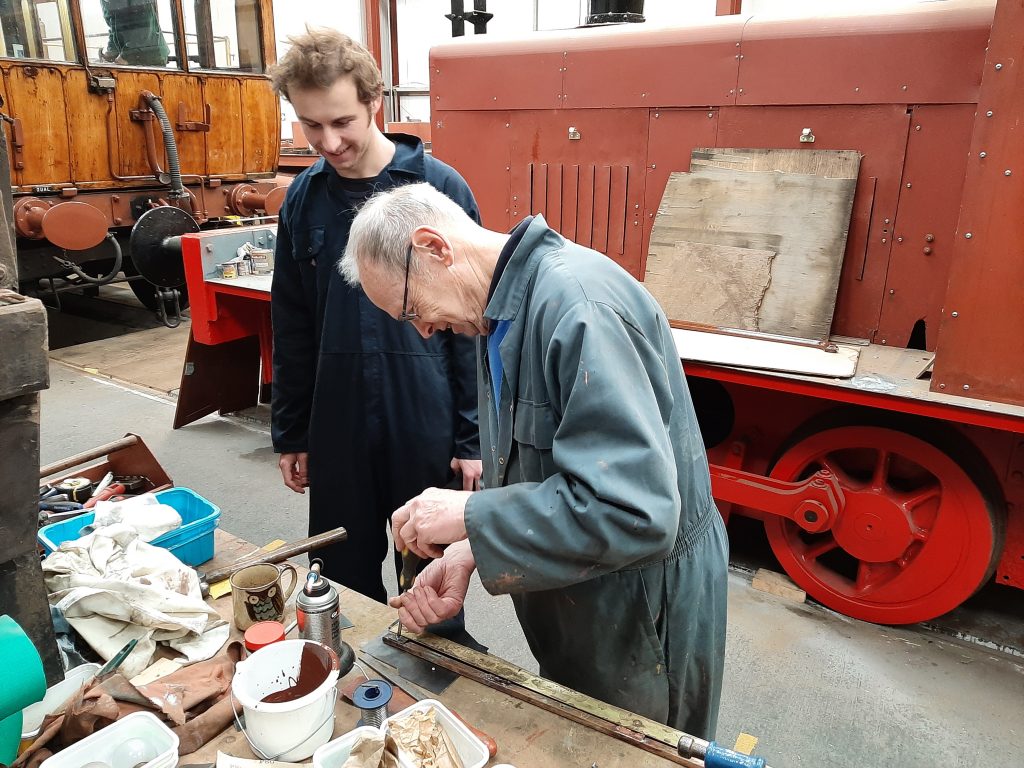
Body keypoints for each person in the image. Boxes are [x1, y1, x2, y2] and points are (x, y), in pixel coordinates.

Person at [338, 182, 730, 739]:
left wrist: (470, 514)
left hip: (643, 608)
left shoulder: (578, 308)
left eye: (411, 309)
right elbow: (549, 477)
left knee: (639, 750)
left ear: (434, 248)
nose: (423, 330)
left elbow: (633, 510)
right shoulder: (495, 317)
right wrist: (473, 549)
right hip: (587, 596)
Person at [267, 30, 482, 604]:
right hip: (336, 420)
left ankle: (432, 674)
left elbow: (474, 325)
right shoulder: (304, 200)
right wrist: (291, 431)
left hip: (424, 414)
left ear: (374, 103)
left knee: (428, 575)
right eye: (311, 126)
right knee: (339, 578)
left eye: (342, 121)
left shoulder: (439, 189)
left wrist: (472, 436)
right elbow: (291, 325)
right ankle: (349, 681)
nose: (328, 141)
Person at [98, 0, 169, 66]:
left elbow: (143, 32)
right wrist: (112, 51)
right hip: (130, 51)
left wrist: (125, 57)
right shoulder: (105, 2)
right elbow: (113, 26)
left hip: (150, 55)